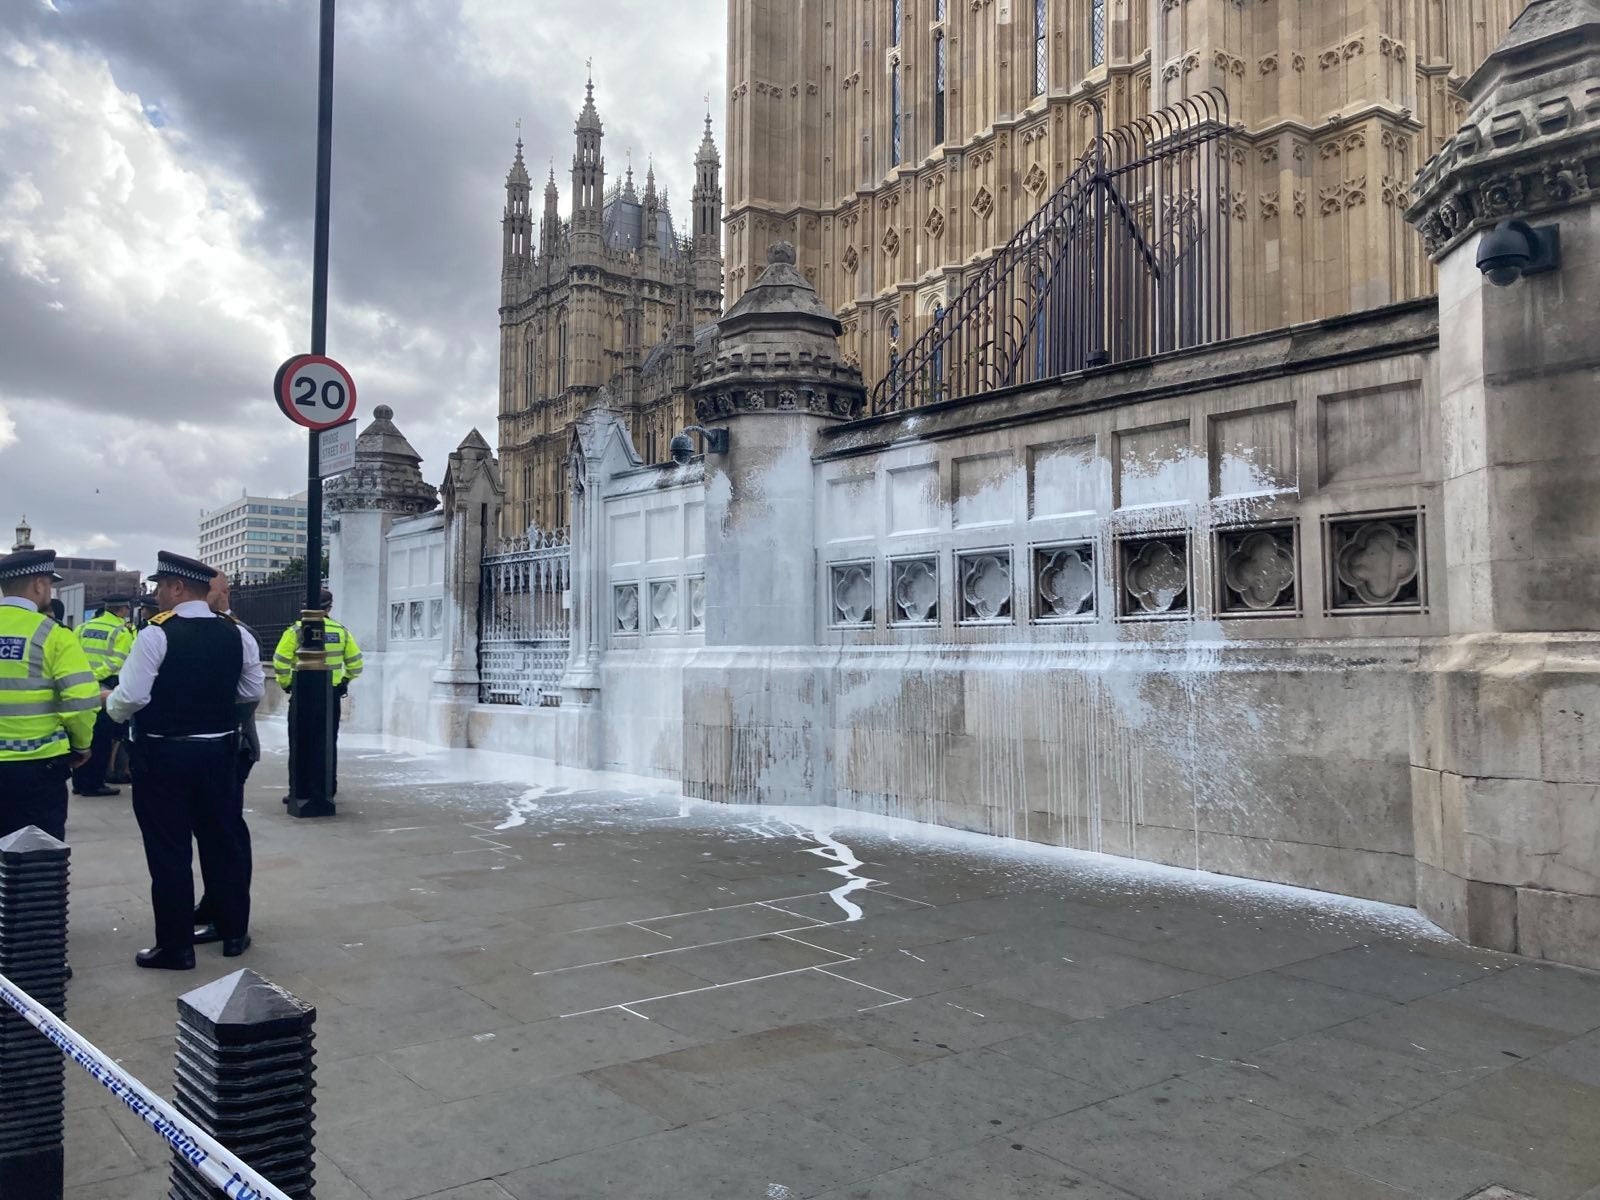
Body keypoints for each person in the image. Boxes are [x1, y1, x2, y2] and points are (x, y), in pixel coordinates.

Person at [107, 552, 263, 970]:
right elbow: (251, 692)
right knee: (224, 841)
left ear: (178, 589)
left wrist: (112, 712)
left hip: (163, 755)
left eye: (160, 587)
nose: (157, 595)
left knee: (169, 850)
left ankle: (176, 947)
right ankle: (233, 931)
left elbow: (134, 696)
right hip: (219, 753)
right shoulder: (238, 634)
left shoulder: (156, 634)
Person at [0, 549, 100, 841]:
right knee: (37, 861)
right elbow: (81, 702)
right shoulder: (54, 635)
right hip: (37, 768)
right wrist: (81, 745)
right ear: (39, 584)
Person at [191, 571, 261, 946]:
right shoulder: (204, 627)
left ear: (222, 592)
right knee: (210, 831)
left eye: (210, 590)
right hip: (216, 746)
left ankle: (231, 920)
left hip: (232, 745)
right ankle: (214, 902)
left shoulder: (236, 632)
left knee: (226, 834)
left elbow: (251, 695)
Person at [274, 587, 362, 800]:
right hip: (330, 696)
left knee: (299, 743)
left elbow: (280, 661)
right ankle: (326, 789)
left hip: (303, 695)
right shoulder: (341, 631)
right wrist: (343, 682)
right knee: (328, 742)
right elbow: (356, 665)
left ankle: (298, 789)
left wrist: (288, 684)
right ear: (330, 607)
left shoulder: (295, 631)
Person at [72, 594, 136, 797]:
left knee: (82, 733)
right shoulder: (121, 631)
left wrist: (84, 677)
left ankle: (78, 782)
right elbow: (117, 661)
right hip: (104, 687)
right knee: (101, 738)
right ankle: (94, 784)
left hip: (80, 684)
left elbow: (72, 654)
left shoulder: (83, 627)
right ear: (123, 610)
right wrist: (95, 677)